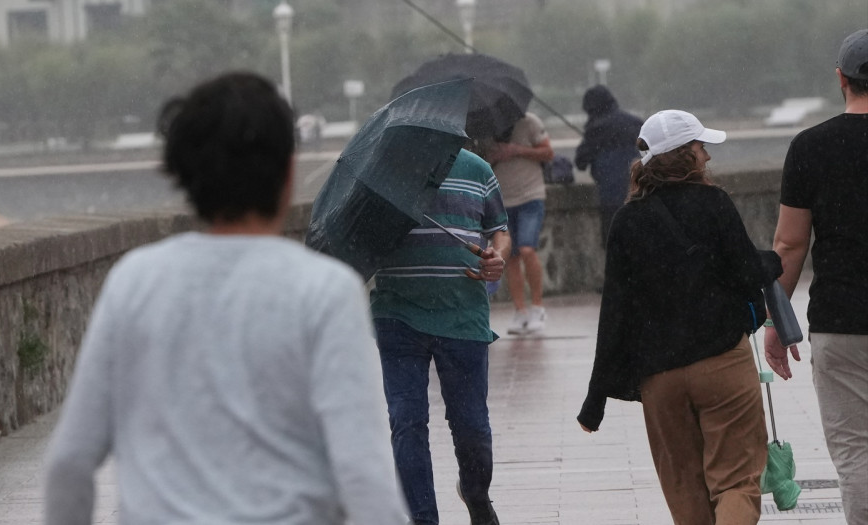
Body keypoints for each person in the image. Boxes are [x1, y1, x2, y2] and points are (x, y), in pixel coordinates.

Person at [42, 72, 408, 525]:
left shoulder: (134, 281)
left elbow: (70, 460)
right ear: (289, 173)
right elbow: (363, 473)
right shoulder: (325, 290)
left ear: (184, 176)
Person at [577, 110, 782, 524]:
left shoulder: (627, 221)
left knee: (686, 493)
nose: (706, 155)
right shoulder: (714, 203)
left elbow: (615, 311)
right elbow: (746, 271)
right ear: (686, 155)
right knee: (736, 482)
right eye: (700, 146)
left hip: (660, 377)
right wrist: (774, 261)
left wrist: (595, 400)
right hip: (721, 360)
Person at [371, 131, 510, 524]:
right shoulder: (387, 175)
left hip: (463, 316)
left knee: (472, 427)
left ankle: (475, 493)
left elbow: (500, 229)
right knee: (407, 421)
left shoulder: (477, 169)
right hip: (397, 315)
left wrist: (497, 257)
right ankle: (422, 518)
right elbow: (365, 240)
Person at [766, 28, 868, 522]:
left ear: (840, 80)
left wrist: (775, 322)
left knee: (855, 453)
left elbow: (789, 244)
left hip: (843, 322)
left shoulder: (811, 147)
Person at [489, 113, 554, 335]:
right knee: (511, 257)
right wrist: (494, 155)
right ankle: (520, 311)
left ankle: (537, 307)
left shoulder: (529, 122)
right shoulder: (485, 129)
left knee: (527, 248)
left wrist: (517, 150)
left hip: (530, 196)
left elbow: (548, 153)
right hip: (502, 199)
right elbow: (479, 160)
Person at [573, 85, 642, 247]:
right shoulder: (635, 123)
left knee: (614, 246)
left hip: (612, 198)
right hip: (640, 194)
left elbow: (580, 162)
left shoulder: (596, 128)